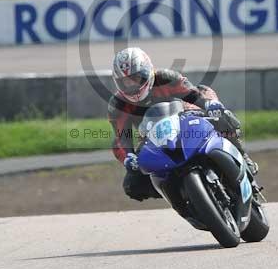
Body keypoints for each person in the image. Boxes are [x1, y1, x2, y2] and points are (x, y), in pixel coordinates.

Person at [107, 46, 257, 201]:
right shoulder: (117, 104)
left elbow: (193, 94)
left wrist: (209, 105)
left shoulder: (166, 78)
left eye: (136, 78)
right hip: (153, 137)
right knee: (132, 185)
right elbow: (121, 136)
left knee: (221, 115)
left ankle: (242, 155)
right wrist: (128, 156)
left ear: (148, 71)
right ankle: (181, 193)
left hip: (187, 118)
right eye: (125, 82)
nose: (132, 86)